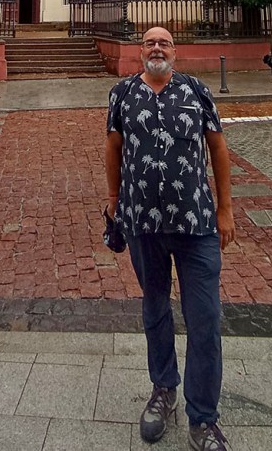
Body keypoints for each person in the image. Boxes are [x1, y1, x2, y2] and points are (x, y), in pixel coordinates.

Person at [105, 26, 235, 451]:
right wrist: (112, 198)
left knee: (205, 318)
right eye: (149, 42)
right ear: (140, 51)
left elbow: (217, 147)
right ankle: (163, 390)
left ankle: (204, 417)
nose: (156, 48)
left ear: (174, 51)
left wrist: (226, 208)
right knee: (155, 308)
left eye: (164, 42)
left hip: (196, 223)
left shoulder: (196, 91)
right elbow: (113, 146)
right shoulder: (123, 94)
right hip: (143, 222)